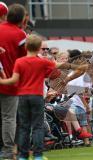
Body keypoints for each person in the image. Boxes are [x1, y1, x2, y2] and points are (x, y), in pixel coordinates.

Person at [0, 34, 88, 160]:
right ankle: (37, 155)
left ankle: (23, 155)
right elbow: (61, 67)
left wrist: (2, 82)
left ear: (26, 46)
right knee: (37, 126)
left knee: (23, 126)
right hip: (37, 97)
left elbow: (14, 80)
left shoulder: (19, 61)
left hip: (23, 97)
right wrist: (78, 67)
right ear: (38, 48)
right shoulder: (43, 62)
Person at [0, 3, 27, 159]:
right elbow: (24, 59)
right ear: (22, 19)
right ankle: (8, 150)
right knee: (9, 117)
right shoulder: (20, 34)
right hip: (11, 81)